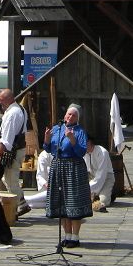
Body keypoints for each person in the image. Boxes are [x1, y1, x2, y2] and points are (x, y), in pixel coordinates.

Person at [44, 104, 92, 248]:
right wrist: (47, 139)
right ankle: (67, 236)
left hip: (73, 167)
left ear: (77, 118)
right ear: (65, 115)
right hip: (58, 166)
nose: (70, 117)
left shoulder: (79, 131)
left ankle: (75, 237)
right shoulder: (57, 128)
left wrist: (72, 139)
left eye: (73, 115)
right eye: (68, 114)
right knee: (62, 203)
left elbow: (81, 151)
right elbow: (48, 149)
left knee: (74, 202)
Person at [0, 89, 28, 211]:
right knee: (6, 179)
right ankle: (19, 204)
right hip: (17, 149)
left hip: (12, 151)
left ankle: (17, 208)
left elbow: (7, 139)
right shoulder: (19, 109)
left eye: (1, 100)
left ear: (9, 99)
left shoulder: (13, 113)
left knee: (11, 180)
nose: (0, 102)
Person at [84, 138, 114, 212]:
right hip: (91, 176)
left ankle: (101, 194)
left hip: (106, 178)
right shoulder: (84, 153)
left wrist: (88, 188)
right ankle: (94, 195)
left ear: (89, 143)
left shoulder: (102, 152)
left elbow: (101, 175)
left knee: (104, 201)